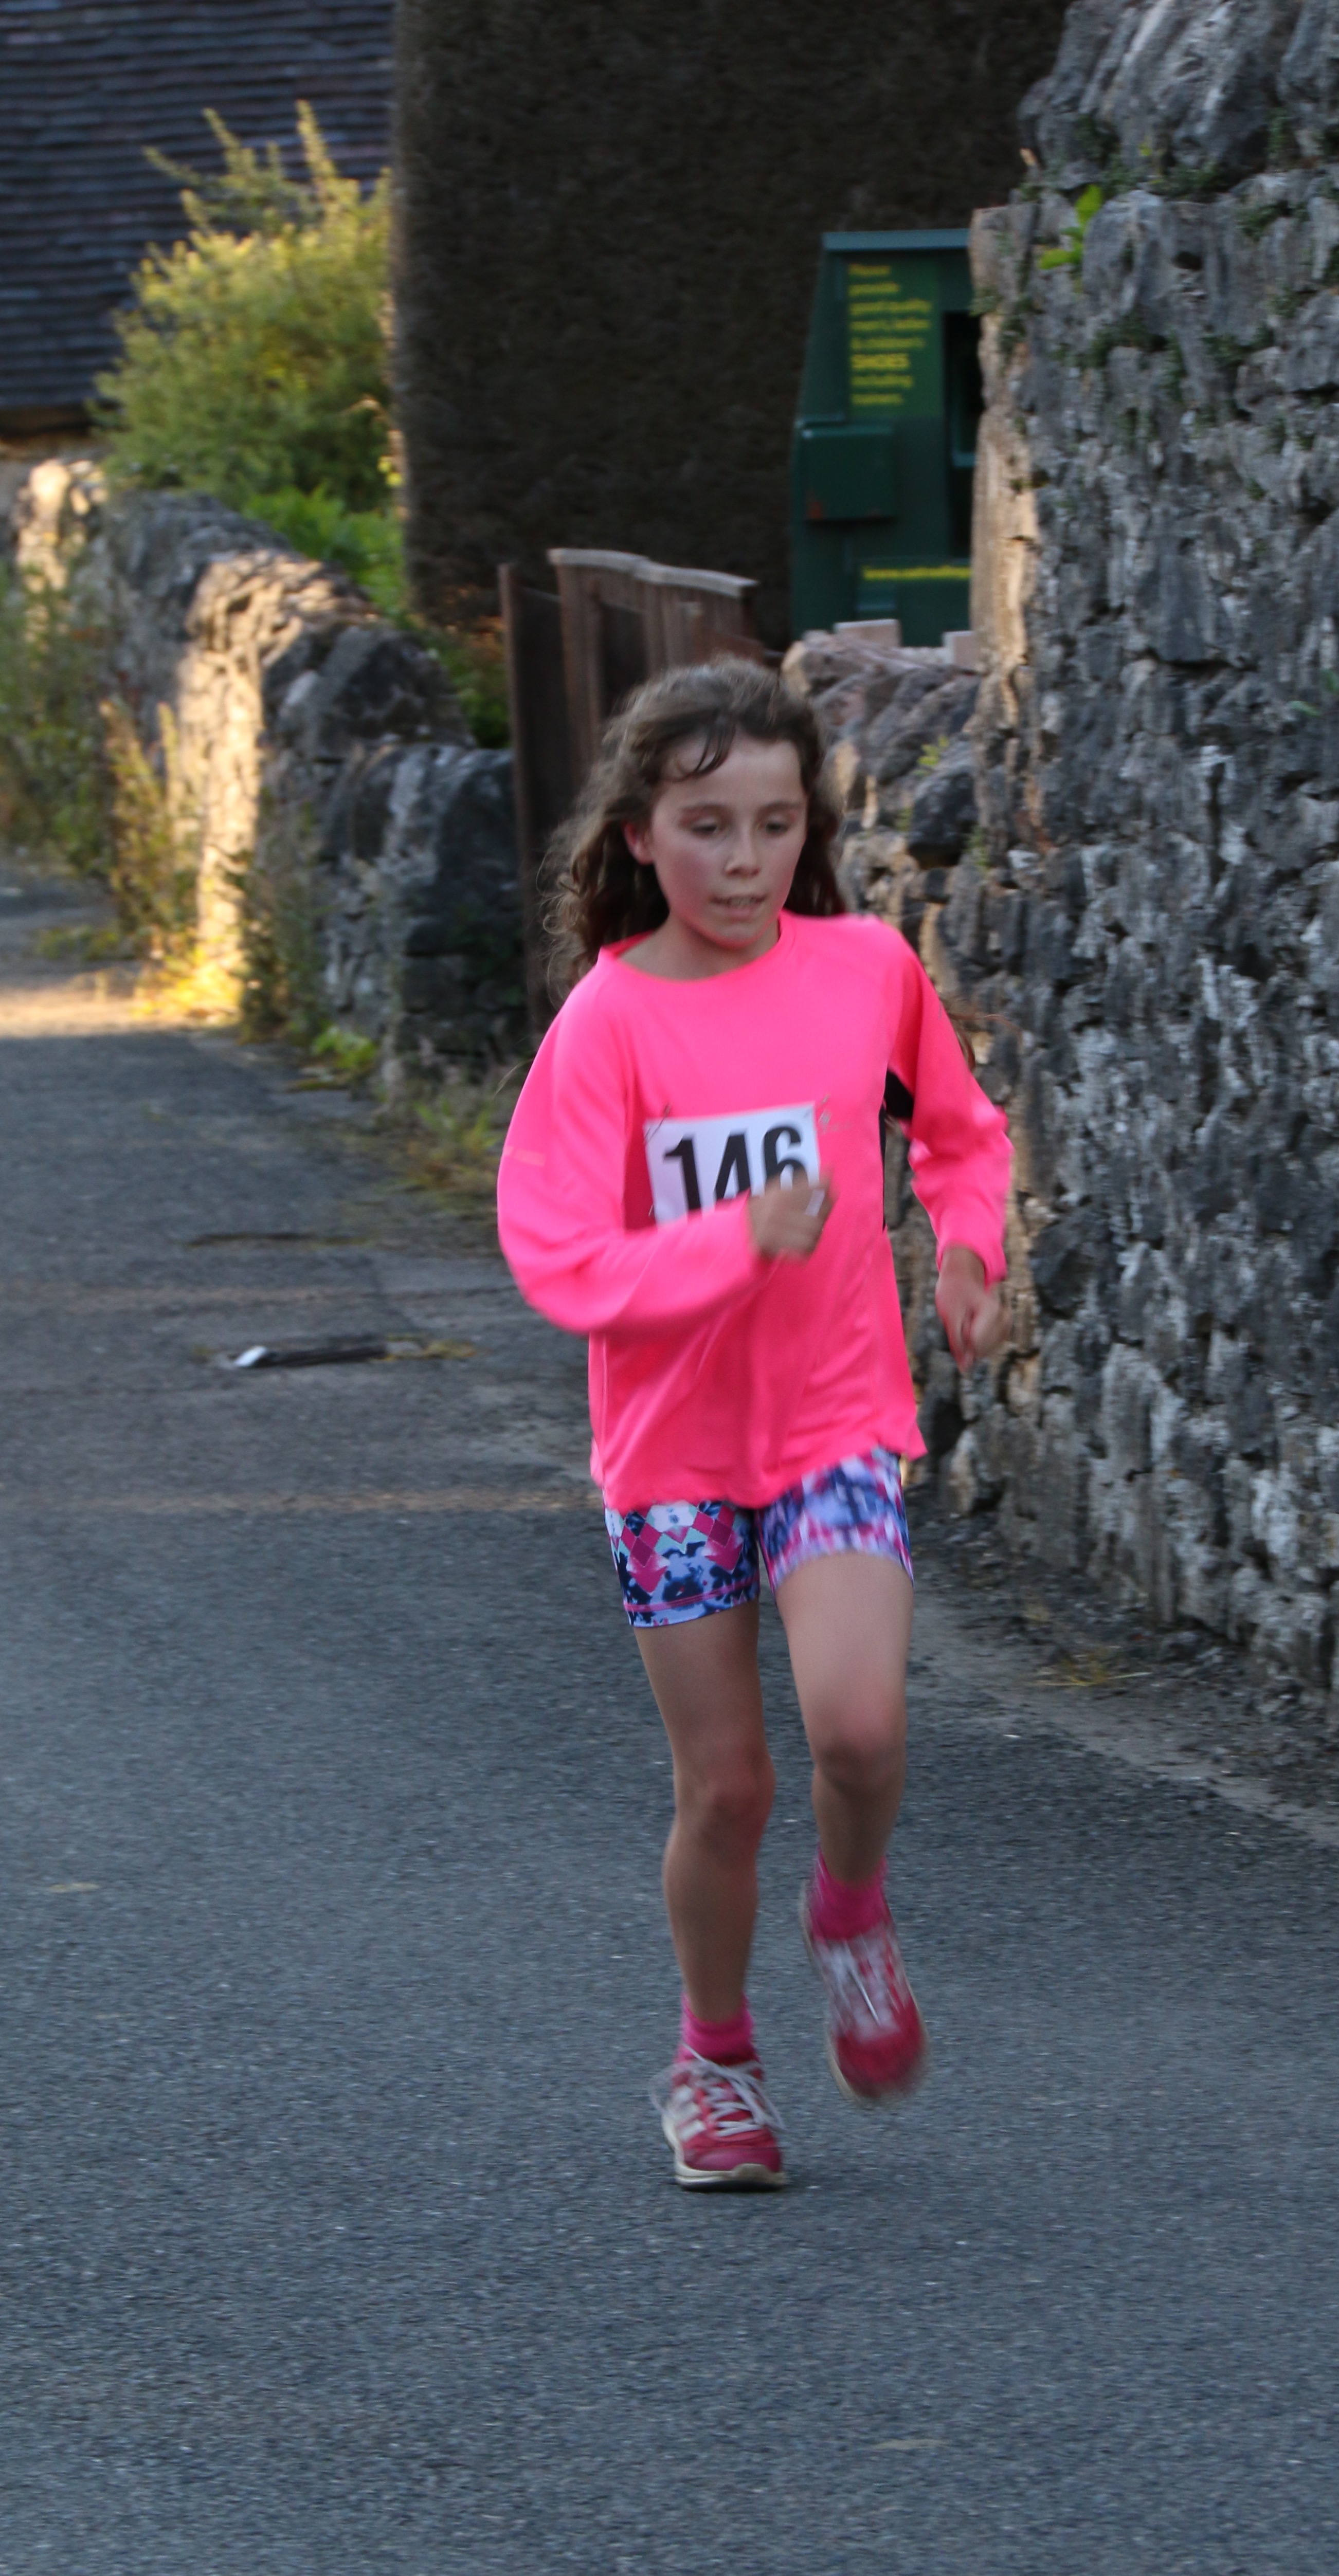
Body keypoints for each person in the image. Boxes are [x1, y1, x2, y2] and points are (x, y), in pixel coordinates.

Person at [496, 661, 1011, 2188]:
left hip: (834, 1420)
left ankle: (849, 1911)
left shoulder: (865, 970)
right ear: (641, 835)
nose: (743, 861)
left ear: (810, 831)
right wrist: (736, 1242)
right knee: (728, 1787)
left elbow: (960, 1132)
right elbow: (558, 1257)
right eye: (706, 826)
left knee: (859, 1729)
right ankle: (713, 2060)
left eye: (775, 826)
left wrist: (969, 1248)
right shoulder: (609, 1025)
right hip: (671, 1457)